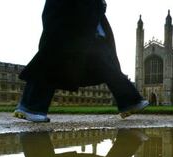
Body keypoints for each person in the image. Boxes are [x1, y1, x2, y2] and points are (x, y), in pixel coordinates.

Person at [14, 0, 148, 122]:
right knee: (49, 61)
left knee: (105, 65)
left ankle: (129, 101)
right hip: (67, 30)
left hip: (89, 33)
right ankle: (29, 106)